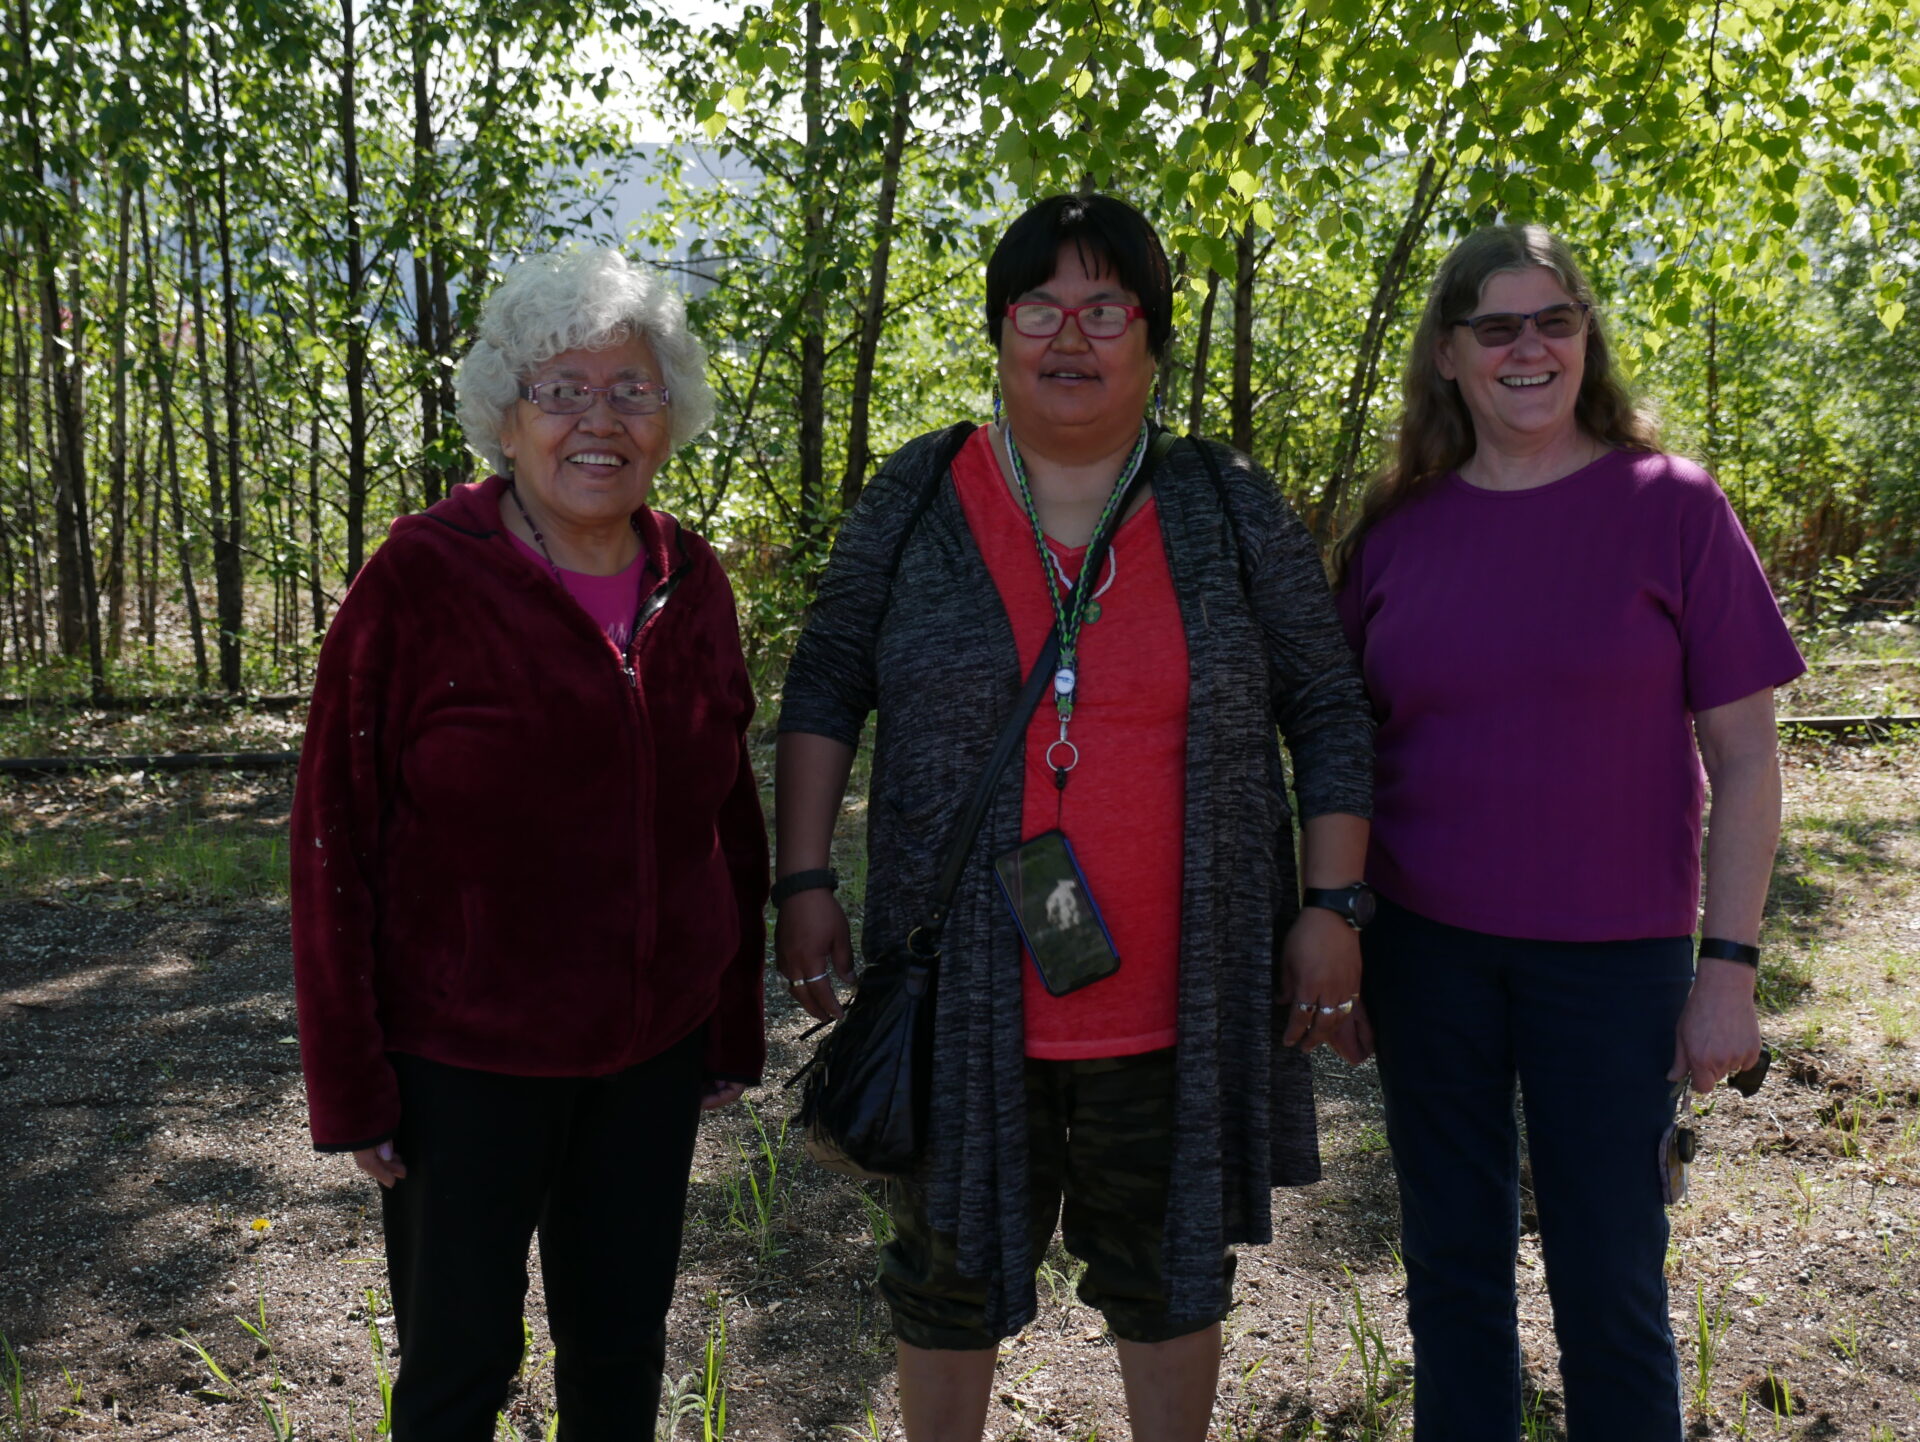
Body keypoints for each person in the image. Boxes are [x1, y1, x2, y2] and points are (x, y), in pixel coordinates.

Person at [775, 194, 1375, 1442]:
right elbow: (828, 677)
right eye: (1038, 305)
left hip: (1179, 993)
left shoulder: (1225, 500)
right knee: (942, 1283)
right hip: (961, 988)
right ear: (999, 330)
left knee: (1167, 1279)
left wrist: (1332, 905)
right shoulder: (922, 488)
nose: (1071, 335)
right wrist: (803, 878)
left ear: (1153, 339)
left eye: (1106, 308)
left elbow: (1326, 702)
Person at [1333, 224, 1806, 1441]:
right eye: (1498, 326)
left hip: (1614, 961)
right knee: (1451, 1276)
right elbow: (1337, 750)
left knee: (1611, 1284)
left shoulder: (1673, 507)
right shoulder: (1397, 530)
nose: (1529, 347)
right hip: (1427, 950)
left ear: (1586, 340)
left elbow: (1746, 758)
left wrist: (1729, 969)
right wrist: (1333, 927)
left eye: (1555, 319)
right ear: (1448, 353)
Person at [291, 247, 768, 1441]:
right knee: (459, 1365)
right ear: (504, 415)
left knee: (619, 1355)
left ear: (672, 417)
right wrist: (351, 1080)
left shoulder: (692, 580)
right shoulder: (416, 583)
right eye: (561, 389)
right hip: (464, 1062)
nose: (597, 420)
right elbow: (331, 838)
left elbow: (727, 816)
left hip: (648, 1053)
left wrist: (729, 1014)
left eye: (632, 390)